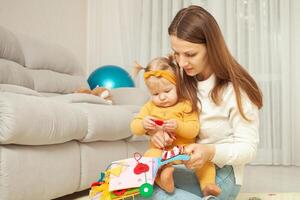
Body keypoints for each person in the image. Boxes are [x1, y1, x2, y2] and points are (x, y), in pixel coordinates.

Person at [138, 5, 263, 200]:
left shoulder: (236, 90)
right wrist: (157, 133)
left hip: (221, 176)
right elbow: (162, 110)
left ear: (211, 47)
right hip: (184, 167)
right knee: (132, 180)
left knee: (143, 191)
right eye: (176, 54)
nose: (181, 62)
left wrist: (210, 151)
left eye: (190, 54)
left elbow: (248, 149)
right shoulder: (181, 79)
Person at [130, 56, 221, 196]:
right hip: (161, 152)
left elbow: (193, 129)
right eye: (155, 93)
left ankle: (208, 186)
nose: (161, 97)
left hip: (184, 150)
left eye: (167, 91)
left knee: (204, 162)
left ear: (178, 85)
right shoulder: (149, 107)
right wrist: (143, 124)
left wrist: (178, 126)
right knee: (150, 157)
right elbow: (134, 127)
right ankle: (163, 178)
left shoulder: (186, 104)